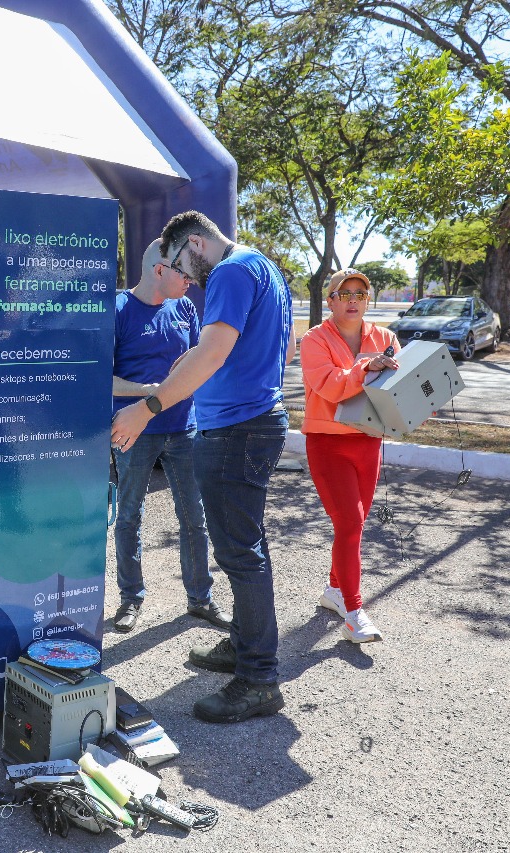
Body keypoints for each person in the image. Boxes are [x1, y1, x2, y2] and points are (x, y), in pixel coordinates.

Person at [110, 211, 294, 724]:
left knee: (240, 553)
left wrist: (146, 407)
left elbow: (213, 354)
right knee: (244, 546)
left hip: (237, 429)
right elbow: (278, 345)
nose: (184, 279)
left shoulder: (231, 272)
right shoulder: (264, 267)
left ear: (194, 243)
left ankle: (259, 678)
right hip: (255, 421)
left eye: (180, 265)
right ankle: (242, 644)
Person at [109, 240, 231, 634]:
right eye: (185, 272)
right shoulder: (118, 309)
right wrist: (152, 394)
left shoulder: (186, 309)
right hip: (135, 430)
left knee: (194, 518)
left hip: (185, 430)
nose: (192, 281)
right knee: (129, 517)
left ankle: (201, 599)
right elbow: (101, 378)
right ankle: (131, 599)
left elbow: (199, 363)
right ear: (160, 269)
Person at [298, 268, 399, 643]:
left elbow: (395, 389)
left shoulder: (386, 337)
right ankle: (354, 613)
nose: (353, 299)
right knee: (350, 524)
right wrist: (364, 368)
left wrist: (420, 401)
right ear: (331, 300)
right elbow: (328, 386)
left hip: (369, 442)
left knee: (353, 527)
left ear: (368, 299)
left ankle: (333, 591)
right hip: (328, 443)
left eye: (361, 292)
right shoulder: (314, 339)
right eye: (345, 293)